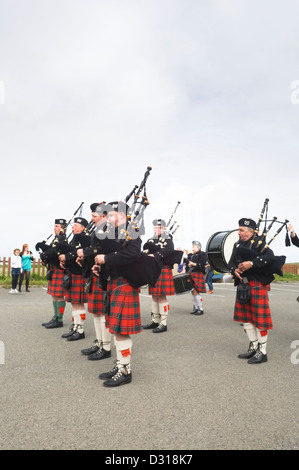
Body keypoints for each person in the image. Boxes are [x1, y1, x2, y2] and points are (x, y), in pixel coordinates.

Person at [93, 201, 142, 387]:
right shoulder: (114, 234)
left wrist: (107, 258)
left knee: (121, 330)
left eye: (112, 215)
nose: (109, 218)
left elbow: (133, 255)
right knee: (116, 328)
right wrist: (100, 266)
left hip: (125, 284)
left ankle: (126, 371)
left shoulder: (131, 231)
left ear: (121, 215)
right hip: (114, 282)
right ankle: (120, 364)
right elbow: (114, 257)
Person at [228, 218, 276, 364]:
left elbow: (270, 257)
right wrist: (233, 269)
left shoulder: (259, 243)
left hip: (256, 284)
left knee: (259, 320)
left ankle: (263, 352)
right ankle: (254, 347)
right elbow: (231, 262)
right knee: (247, 319)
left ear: (250, 232)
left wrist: (252, 263)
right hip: (243, 285)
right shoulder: (237, 244)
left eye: (241, 230)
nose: (239, 232)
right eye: (239, 229)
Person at [77, 203, 112, 361]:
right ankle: (99, 343)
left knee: (102, 313)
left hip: (103, 275)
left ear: (103, 216)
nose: (91, 219)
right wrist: (84, 257)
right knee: (97, 312)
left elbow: (102, 250)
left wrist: (84, 252)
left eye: (94, 216)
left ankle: (106, 347)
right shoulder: (98, 230)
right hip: (94, 273)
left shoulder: (107, 231)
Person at [58, 217, 90, 341]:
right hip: (72, 273)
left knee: (79, 304)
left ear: (82, 227)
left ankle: (80, 330)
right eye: (73, 225)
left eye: (76, 225)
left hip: (79, 274)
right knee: (74, 303)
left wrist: (66, 256)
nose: (73, 227)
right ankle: (75, 327)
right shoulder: (74, 239)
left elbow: (78, 253)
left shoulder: (85, 239)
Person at [142, 219, 175, 333]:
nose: (156, 229)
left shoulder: (167, 238)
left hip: (163, 268)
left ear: (164, 229)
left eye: (159, 228)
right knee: (154, 296)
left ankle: (163, 323)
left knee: (161, 296)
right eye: (155, 228)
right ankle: (155, 321)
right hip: (153, 269)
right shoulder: (151, 239)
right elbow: (145, 250)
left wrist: (155, 255)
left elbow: (170, 250)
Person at [36, 218, 68, 328]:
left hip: (59, 269)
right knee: (54, 296)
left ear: (63, 229)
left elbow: (55, 251)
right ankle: (55, 317)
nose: (55, 228)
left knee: (58, 296)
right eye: (55, 226)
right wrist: (42, 246)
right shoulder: (56, 238)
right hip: (54, 269)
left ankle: (59, 319)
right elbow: (51, 249)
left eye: (58, 226)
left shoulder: (63, 239)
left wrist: (46, 254)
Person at [185, 241, 208, 315]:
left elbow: (202, 265)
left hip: (198, 273)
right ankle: (196, 307)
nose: (192, 248)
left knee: (196, 291)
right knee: (193, 291)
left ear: (198, 247)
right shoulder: (192, 255)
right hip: (192, 274)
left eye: (194, 247)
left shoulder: (202, 254)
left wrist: (193, 264)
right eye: (192, 247)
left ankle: (200, 308)